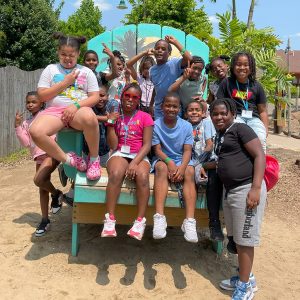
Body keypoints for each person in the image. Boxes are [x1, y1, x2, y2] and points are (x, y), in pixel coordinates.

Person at [210, 98, 266, 300]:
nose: (219, 117)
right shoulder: (222, 135)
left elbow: (259, 155)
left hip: (246, 189)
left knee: (245, 240)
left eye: (223, 113)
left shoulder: (241, 129)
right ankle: (246, 276)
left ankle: (245, 287)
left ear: (232, 113)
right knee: (237, 238)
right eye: (215, 114)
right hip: (231, 191)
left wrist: (256, 188)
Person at [29, 32, 101, 181]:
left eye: (71, 55)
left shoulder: (86, 71)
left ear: (78, 54)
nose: (67, 58)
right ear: (58, 52)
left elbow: (95, 97)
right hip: (54, 113)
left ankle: (94, 159)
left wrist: (75, 106)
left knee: (90, 117)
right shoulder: (50, 69)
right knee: (35, 131)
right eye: (63, 54)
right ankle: (69, 159)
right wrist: (65, 82)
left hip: (78, 111)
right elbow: (41, 96)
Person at [101, 83, 154, 241]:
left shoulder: (145, 117)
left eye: (134, 97)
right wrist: (110, 124)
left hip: (139, 154)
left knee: (143, 177)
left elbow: (147, 144)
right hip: (119, 152)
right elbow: (112, 145)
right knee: (116, 174)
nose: (130, 99)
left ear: (139, 100)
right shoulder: (116, 116)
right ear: (122, 97)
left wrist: (134, 163)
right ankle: (110, 219)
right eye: (127, 96)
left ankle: (140, 221)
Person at [152, 92, 198, 243]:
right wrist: (169, 162)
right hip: (163, 159)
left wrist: (182, 168)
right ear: (162, 106)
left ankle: (189, 220)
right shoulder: (156, 124)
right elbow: (157, 150)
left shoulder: (186, 126)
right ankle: (159, 217)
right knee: (161, 169)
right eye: (168, 105)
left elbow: (187, 150)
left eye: (174, 106)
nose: (171, 109)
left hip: (182, 159)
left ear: (179, 108)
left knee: (190, 171)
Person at [15, 91, 62, 236]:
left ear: (41, 102)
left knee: (39, 180)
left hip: (50, 153)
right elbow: (27, 143)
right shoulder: (26, 122)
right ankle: (45, 220)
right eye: (28, 102)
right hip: (38, 157)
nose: (30, 104)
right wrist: (18, 126)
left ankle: (56, 194)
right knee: (42, 187)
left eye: (33, 102)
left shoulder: (47, 115)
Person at [216, 52, 268, 152]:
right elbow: (219, 104)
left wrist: (265, 129)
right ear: (233, 66)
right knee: (237, 139)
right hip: (235, 117)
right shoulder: (226, 82)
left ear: (251, 67)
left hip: (253, 118)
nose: (242, 67)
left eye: (246, 65)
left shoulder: (256, 85)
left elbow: (262, 111)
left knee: (260, 139)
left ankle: (260, 166)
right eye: (238, 64)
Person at [149, 36, 192, 119]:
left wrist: (175, 42)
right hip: (159, 110)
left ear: (169, 53)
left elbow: (189, 58)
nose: (160, 51)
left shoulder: (174, 63)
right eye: (157, 48)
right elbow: (156, 88)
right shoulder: (152, 70)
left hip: (174, 108)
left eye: (163, 49)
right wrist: (151, 104)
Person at [185, 101, 214, 185]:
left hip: (206, 158)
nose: (194, 112)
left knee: (203, 178)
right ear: (186, 114)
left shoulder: (206, 123)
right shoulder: (185, 125)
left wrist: (199, 163)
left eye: (197, 110)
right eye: (191, 110)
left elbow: (210, 145)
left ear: (203, 113)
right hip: (191, 160)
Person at [126, 49, 156, 113]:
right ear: (141, 68)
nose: (148, 70)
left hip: (153, 107)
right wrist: (143, 53)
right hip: (140, 107)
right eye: (145, 68)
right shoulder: (139, 78)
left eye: (150, 68)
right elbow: (128, 64)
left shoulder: (156, 78)